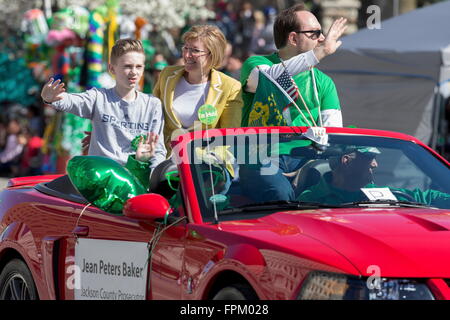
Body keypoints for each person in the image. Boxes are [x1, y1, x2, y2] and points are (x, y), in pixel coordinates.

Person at [40, 38, 166, 169]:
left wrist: (154, 180)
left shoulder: (153, 104)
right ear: (112, 68)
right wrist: (50, 98)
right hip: (100, 179)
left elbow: (158, 151)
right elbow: (70, 100)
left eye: (138, 66)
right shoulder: (99, 97)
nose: (134, 72)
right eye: (127, 66)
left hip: (137, 180)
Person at [240, 3, 346, 127]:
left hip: (305, 147)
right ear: (293, 39)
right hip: (263, 146)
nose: (322, 38)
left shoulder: (323, 82)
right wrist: (323, 51)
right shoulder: (255, 63)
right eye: (316, 33)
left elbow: (332, 132)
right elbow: (268, 80)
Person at [152, 25, 243, 153]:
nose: (187, 55)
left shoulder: (230, 87)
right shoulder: (166, 75)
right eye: (185, 48)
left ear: (213, 54)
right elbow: (152, 117)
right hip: (165, 160)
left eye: (195, 50)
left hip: (206, 165)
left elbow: (229, 138)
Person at [298, 146, 450, 206]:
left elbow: (426, 197)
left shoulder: (380, 194)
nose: (375, 164)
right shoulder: (311, 199)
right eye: (369, 157)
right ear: (346, 161)